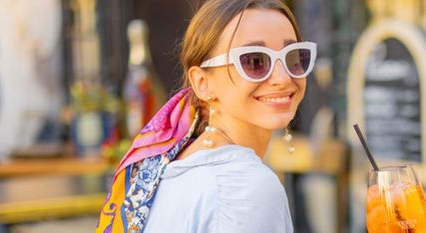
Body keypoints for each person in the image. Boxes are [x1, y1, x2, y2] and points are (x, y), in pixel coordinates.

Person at [96, 0, 314, 232]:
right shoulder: (243, 187)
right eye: (254, 61)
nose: (282, 77)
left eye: (293, 57)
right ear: (202, 83)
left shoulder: (174, 168)